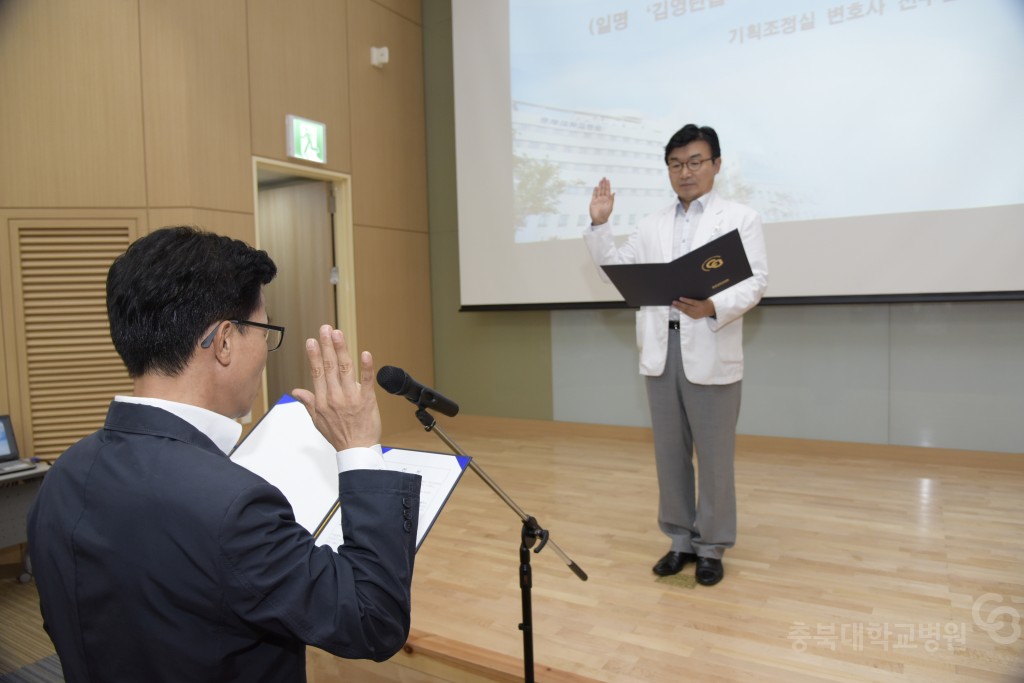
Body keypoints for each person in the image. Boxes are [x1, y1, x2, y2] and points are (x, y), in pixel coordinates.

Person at [27, 226, 422, 681]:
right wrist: (357, 448)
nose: (265, 351)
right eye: (265, 330)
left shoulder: (61, 475)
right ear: (226, 341)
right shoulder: (233, 507)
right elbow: (373, 621)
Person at [584, 124, 768, 586]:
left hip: (709, 342)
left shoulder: (740, 218)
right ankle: (680, 540)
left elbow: (756, 281)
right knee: (669, 455)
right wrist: (602, 225)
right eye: (676, 164)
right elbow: (618, 272)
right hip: (661, 351)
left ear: (716, 165)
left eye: (695, 162)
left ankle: (712, 546)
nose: (685, 172)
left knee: (715, 457)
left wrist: (714, 306)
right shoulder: (651, 223)